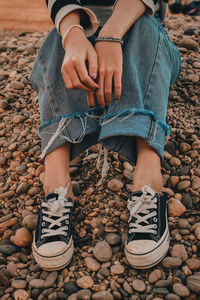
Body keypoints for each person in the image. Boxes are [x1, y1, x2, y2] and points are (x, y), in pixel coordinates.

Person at [30, 0, 181, 271]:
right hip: (83, 30)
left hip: (142, 32)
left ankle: (148, 179)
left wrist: (111, 36)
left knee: (144, 29)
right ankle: (55, 187)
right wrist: (73, 34)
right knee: (56, 41)